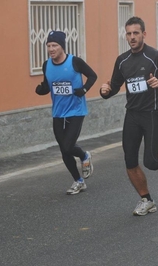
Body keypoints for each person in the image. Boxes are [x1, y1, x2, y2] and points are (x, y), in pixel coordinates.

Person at [99, 17, 158, 216]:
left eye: (135, 33)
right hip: (133, 114)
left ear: (143, 34)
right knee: (129, 160)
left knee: (150, 162)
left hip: (153, 113)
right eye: (128, 33)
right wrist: (105, 91)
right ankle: (146, 200)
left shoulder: (156, 57)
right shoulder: (122, 61)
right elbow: (115, 85)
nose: (132, 37)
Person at [35, 31, 97, 195]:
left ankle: (84, 156)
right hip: (58, 113)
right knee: (64, 150)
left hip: (76, 111)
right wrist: (41, 89)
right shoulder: (46, 65)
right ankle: (78, 181)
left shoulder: (75, 62)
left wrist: (84, 89)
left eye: (54, 45)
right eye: (48, 46)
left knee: (69, 146)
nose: (51, 49)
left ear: (62, 46)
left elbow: (92, 75)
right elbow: (48, 85)